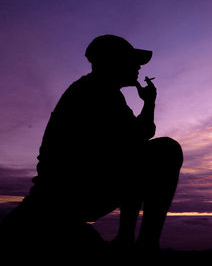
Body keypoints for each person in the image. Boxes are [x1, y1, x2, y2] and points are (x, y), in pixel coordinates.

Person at [0, 35, 183, 257]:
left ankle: (127, 239)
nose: (138, 66)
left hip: (72, 193)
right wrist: (150, 103)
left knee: (141, 155)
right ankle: (143, 245)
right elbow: (140, 137)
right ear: (113, 61)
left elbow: (137, 140)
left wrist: (148, 102)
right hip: (68, 195)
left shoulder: (102, 91)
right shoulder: (95, 92)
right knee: (166, 150)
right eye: (132, 60)